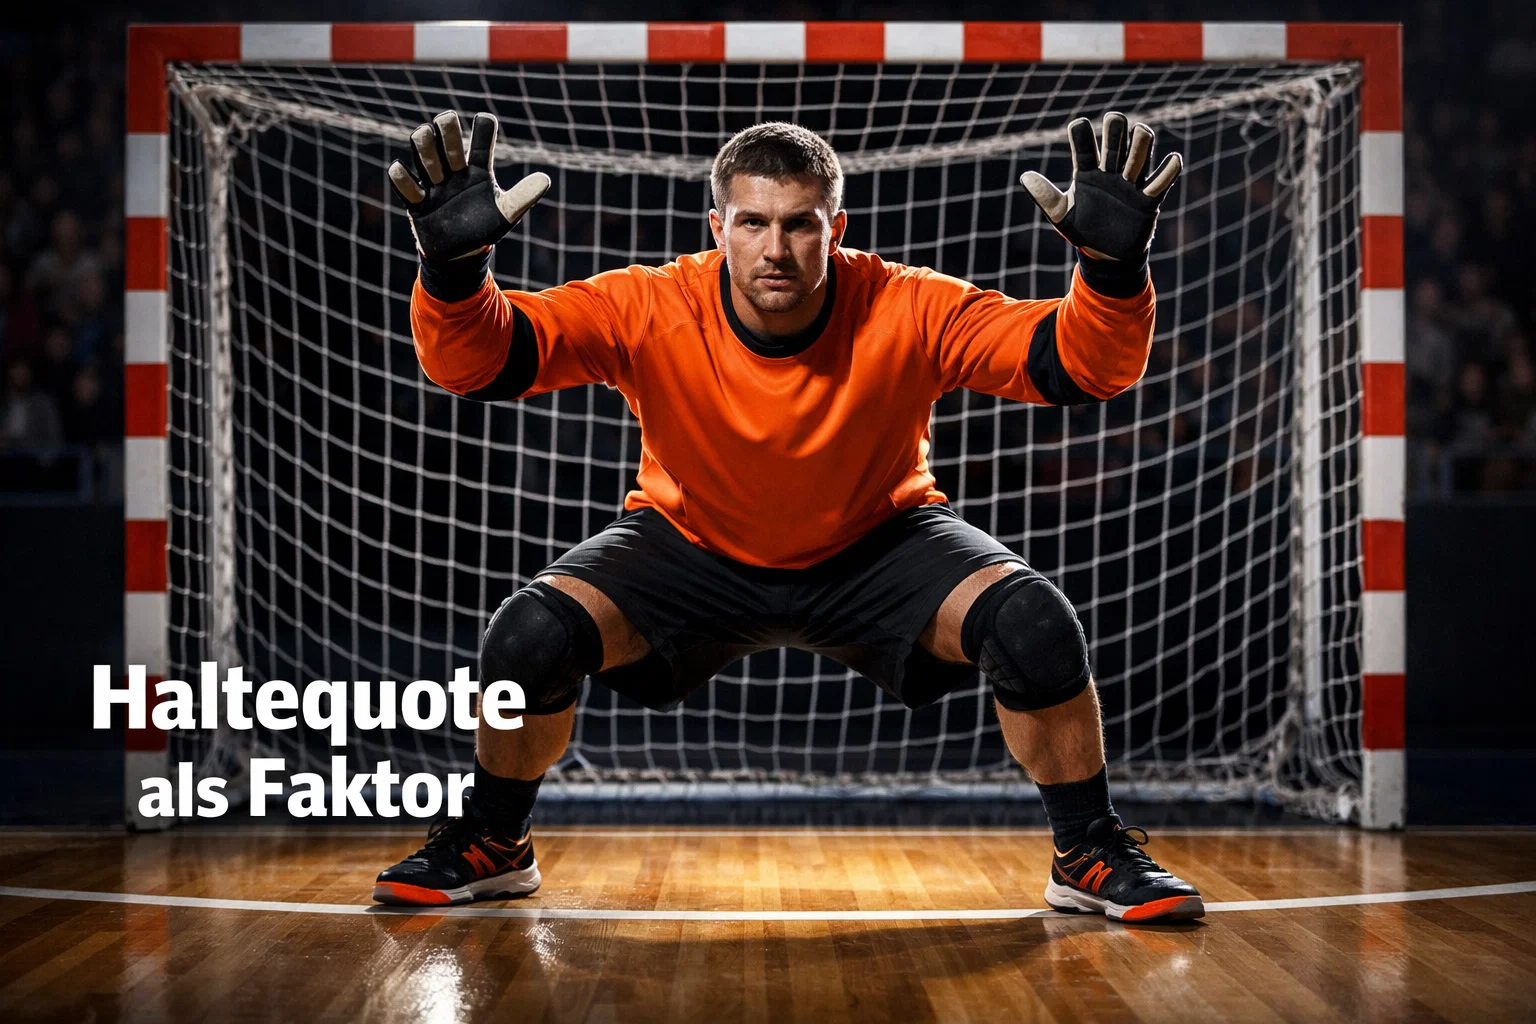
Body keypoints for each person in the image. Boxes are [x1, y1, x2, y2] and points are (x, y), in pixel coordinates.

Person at [373, 110, 1203, 923]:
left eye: (800, 224)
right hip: (689, 543)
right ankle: (494, 839)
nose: (776, 248)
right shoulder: (653, 304)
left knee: (1034, 625)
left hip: (879, 544)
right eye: (753, 223)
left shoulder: (907, 304)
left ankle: (1088, 850)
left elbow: (1079, 366)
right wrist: (454, 275)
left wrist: (1111, 271)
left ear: (835, 226)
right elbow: (481, 364)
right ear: (717, 225)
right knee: (526, 639)